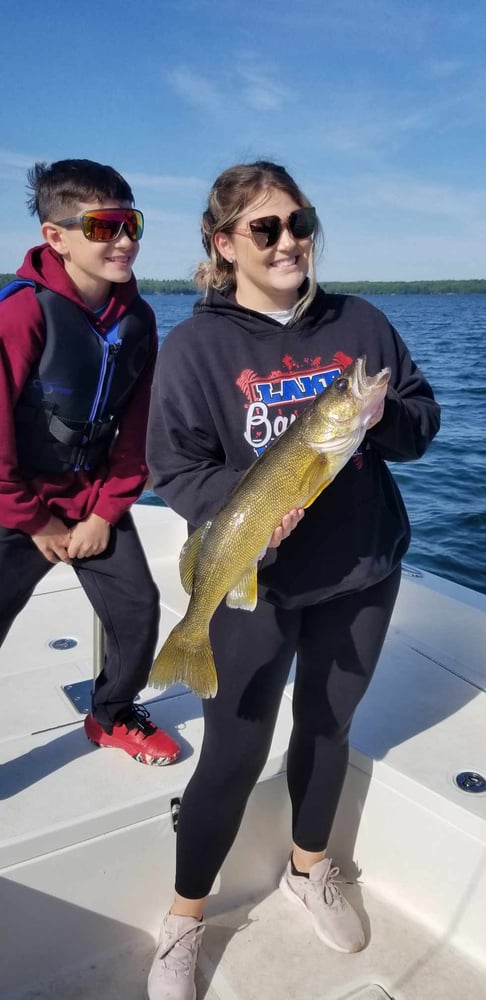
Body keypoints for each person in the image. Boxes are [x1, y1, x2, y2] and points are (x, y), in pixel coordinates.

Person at [145, 160, 440, 996]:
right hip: (254, 585)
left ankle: (310, 868)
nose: (289, 241)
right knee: (232, 754)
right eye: (265, 228)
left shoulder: (362, 322)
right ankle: (183, 919)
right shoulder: (196, 346)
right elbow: (176, 466)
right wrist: (242, 518)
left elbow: (419, 419)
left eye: (300, 222)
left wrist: (381, 422)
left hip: (362, 572)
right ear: (222, 243)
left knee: (326, 729)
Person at [0, 158, 180, 767]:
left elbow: (137, 429)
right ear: (56, 237)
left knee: (138, 611)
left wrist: (107, 510)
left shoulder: (140, 319)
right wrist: (32, 521)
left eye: (132, 223)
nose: (124, 239)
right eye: (103, 227)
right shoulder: (20, 312)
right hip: (14, 503)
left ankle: (109, 715)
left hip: (91, 501)